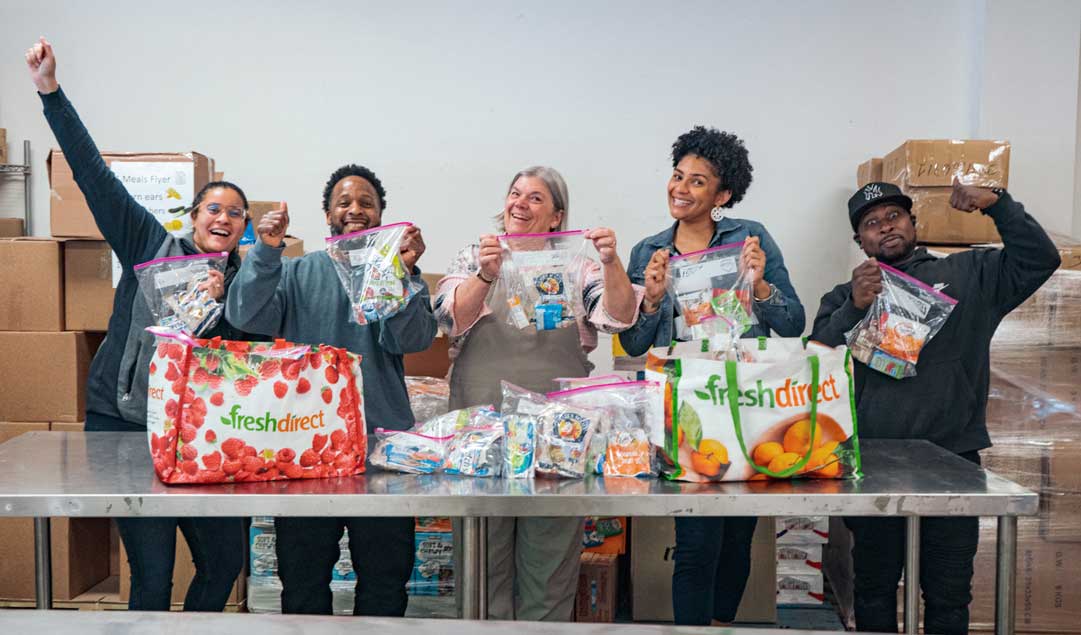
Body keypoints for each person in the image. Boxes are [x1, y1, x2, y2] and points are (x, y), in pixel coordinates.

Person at [25, 37, 247, 611]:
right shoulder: (149, 244)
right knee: (151, 574)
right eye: (213, 208)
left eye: (234, 213)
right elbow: (93, 176)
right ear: (193, 217)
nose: (223, 218)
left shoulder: (249, 286)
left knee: (224, 560)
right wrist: (51, 91)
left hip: (202, 440)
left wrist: (233, 303)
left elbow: (252, 369)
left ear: (242, 228)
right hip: (124, 428)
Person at [810, 179, 1060, 634]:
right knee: (874, 591)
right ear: (859, 241)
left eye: (894, 216)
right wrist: (853, 307)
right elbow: (814, 363)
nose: (885, 227)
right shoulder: (845, 294)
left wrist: (998, 205)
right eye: (871, 223)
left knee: (948, 596)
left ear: (913, 221)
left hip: (953, 460)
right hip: (872, 466)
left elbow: (1041, 259)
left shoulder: (970, 273)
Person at [225, 164, 437, 616]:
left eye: (366, 203)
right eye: (344, 202)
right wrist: (266, 251)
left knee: (385, 583)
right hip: (307, 451)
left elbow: (414, 338)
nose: (355, 210)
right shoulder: (297, 272)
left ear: (381, 215)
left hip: (382, 454)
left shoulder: (397, 273)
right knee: (303, 583)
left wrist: (401, 272)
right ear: (327, 215)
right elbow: (244, 314)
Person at [433, 165, 641, 620]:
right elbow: (449, 319)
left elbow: (617, 317)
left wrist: (611, 263)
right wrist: (485, 276)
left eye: (535, 198)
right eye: (515, 194)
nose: (520, 204)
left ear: (556, 216)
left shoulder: (578, 265)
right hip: (481, 432)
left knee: (549, 559)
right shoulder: (475, 256)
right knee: (481, 557)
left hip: (558, 436)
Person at [618, 126, 805, 626]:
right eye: (678, 175)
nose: (680, 188)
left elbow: (793, 323)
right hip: (688, 409)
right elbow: (634, 344)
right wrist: (651, 299)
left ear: (722, 196)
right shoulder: (648, 251)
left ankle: (721, 626)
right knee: (697, 541)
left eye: (697, 181)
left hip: (748, 405)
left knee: (738, 538)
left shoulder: (750, 238)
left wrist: (760, 284)